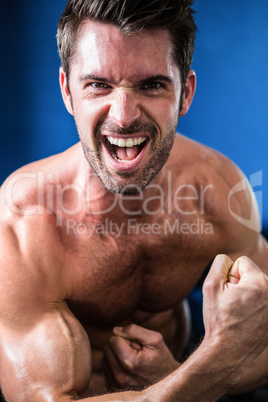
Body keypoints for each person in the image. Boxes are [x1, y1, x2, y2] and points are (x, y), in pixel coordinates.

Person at [0, 0, 267, 400]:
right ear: (68, 92)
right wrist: (213, 363)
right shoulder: (23, 224)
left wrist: (180, 374)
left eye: (151, 85)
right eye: (98, 85)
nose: (124, 116)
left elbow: (259, 337)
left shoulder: (218, 188)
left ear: (185, 93)